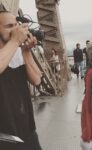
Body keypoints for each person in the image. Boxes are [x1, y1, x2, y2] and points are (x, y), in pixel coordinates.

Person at [0, 11, 42, 149]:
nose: (15, 29)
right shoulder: (13, 43)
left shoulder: (17, 51)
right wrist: (15, 40)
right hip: (4, 136)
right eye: (9, 26)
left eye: (16, 25)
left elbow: (36, 80)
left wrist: (26, 51)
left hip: (27, 130)